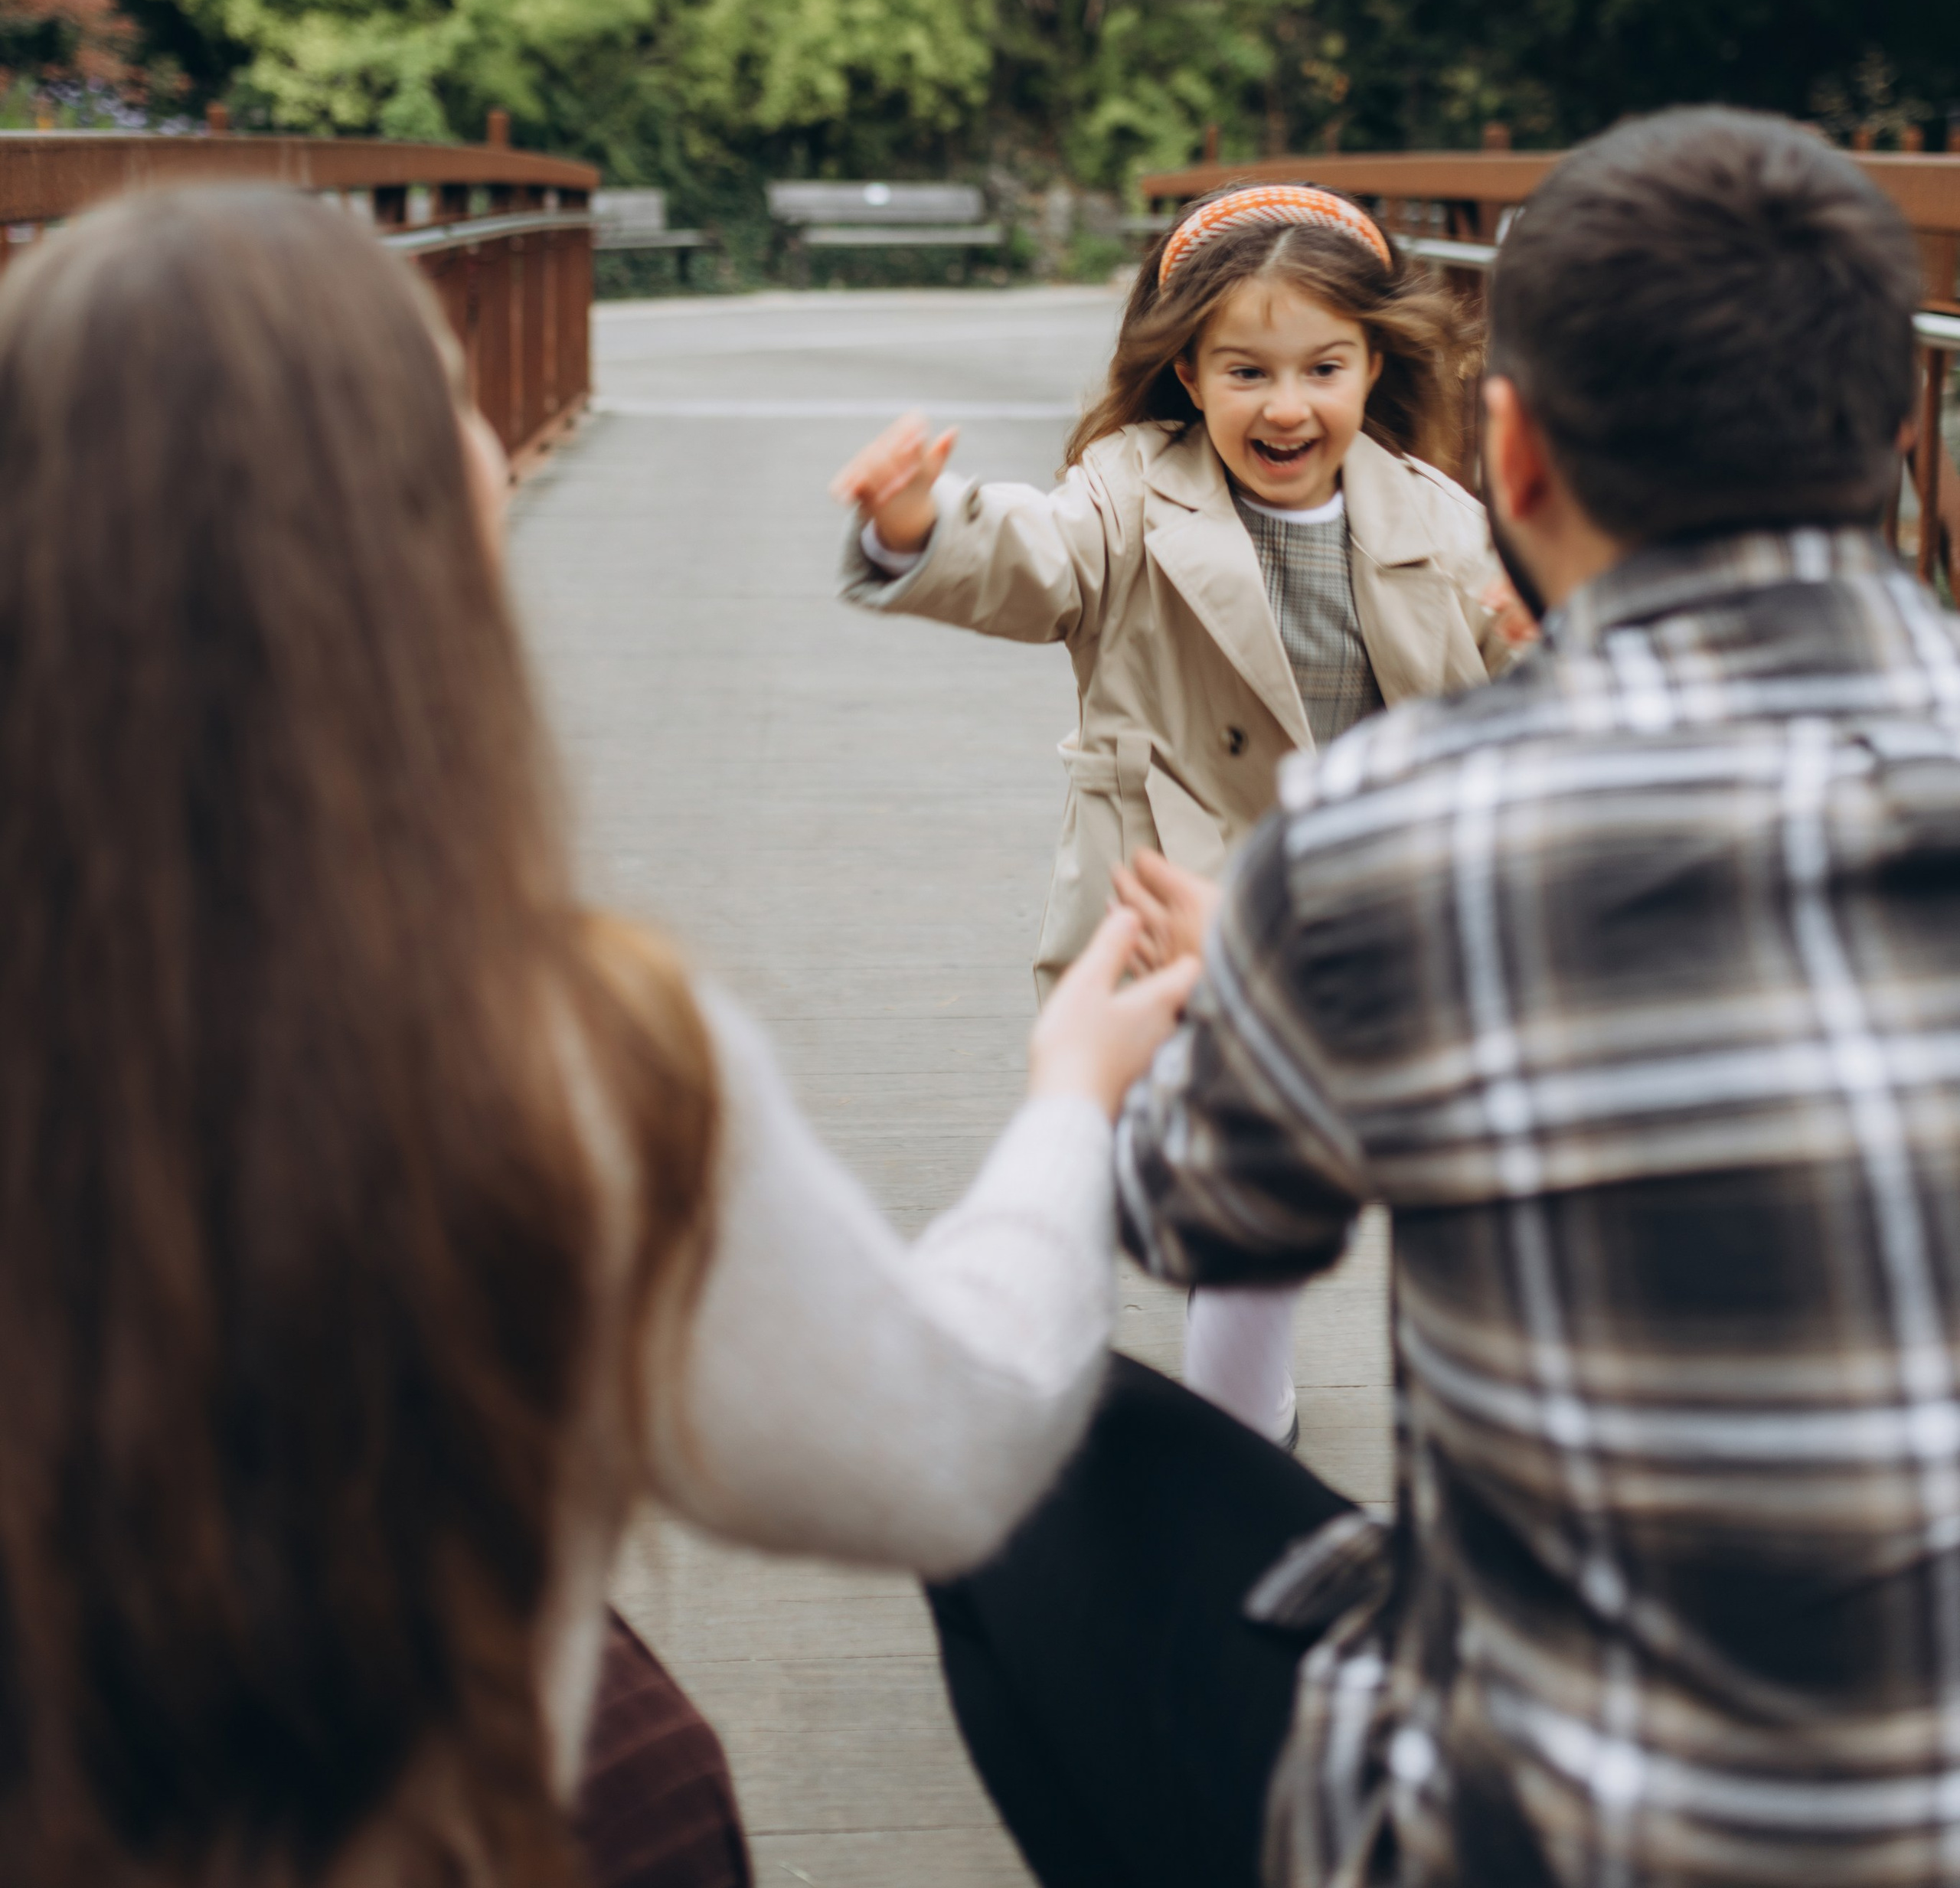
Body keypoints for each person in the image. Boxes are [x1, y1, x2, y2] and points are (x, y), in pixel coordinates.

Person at [0, 184, 1195, 1888]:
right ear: (423, 527)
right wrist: (1070, 1105)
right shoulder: (565, 1045)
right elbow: (936, 1455)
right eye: (464, 421)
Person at [927, 106, 1960, 1888]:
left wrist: (1092, 1075)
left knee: (999, 1450)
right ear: (1896, 439)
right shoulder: (1148, 507)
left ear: (1512, 452)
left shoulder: (1397, 829)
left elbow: (1194, 1210)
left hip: (1550, 1826)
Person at [832, 181, 1517, 1442]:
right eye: (1246, 370)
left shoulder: (1440, 520)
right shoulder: (1130, 490)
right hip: (1159, 892)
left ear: (1375, 364)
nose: (1287, 404)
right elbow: (1038, 558)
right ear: (1188, 374)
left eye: (1324, 366)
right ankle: (1163, 1408)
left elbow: (1523, 667)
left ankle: (1253, 1428)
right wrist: (921, 529)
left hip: (1351, 916)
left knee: (1275, 1187)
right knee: (1198, 1171)